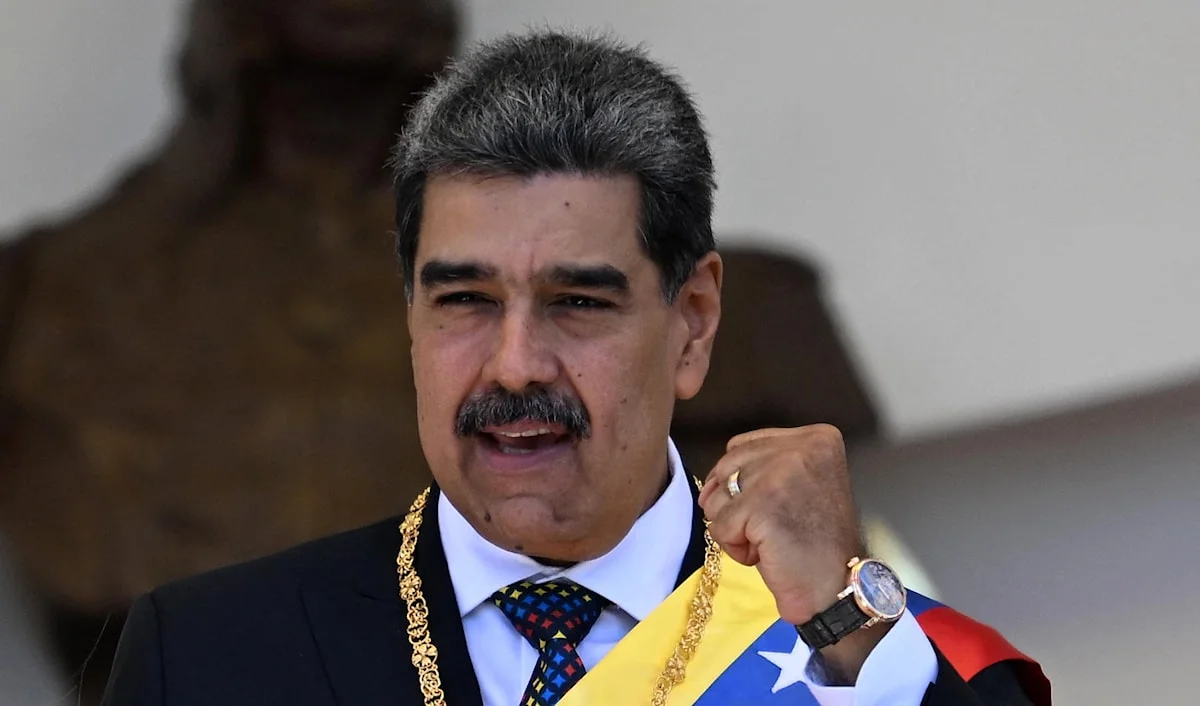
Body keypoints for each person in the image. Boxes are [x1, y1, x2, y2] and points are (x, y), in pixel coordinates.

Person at [101, 30, 1049, 706]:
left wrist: (846, 640)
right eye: (464, 299)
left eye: (578, 303)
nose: (515, 366)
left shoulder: (871, 659)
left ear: (693, 323)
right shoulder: (209, 658)